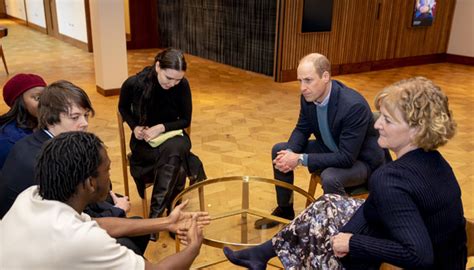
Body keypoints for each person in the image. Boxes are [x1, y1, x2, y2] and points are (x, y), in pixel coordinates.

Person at [224, 77, 467, 269]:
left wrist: (352, 241)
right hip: (441, 252)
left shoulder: (389, 179)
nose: (377, 124)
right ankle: (262, 253)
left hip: (411, 259)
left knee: (320, 241)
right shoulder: (436, 162)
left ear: (416, 131)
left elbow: (419, 256)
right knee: (327, 203)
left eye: (388, 120)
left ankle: (267, 256)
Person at [0, 131, 207, 269]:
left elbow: (97, 224)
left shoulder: (31, 196)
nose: (109, 175)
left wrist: (167, 222)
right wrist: (194, 247)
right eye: (107, 169)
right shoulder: (80, 240)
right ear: (90, 183)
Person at [0, 80, 145, 255]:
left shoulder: (40, 141)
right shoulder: (46, 160)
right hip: (34, 243)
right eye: (75, 117)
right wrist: (117, 210)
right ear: (50, 120)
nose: (84, 123)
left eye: (85, 115)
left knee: (127, 216)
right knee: (129, 241)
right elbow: (73, 218)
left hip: (45, 219)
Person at [255, 53, 385, 229]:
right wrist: (291, 153)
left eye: (308, 80)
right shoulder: (309, 97)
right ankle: (285, 209)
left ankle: (342, 226)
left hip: (361, 162)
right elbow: (302, 129)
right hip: (331, 148)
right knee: (280, 150)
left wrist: (300, 159)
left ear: (326, 77)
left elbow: (346, 157)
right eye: (300, 81)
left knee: (330, 177)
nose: (302, 87)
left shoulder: (353, 106)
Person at [119, 48, 206, 223]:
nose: (173, 83)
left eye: (178, 79)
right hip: (144, 144)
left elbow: (185, 120)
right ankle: (170, 215)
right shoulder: (134, 84)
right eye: (169, 78)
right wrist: (135, 127)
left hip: (172, 136)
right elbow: (123, 108)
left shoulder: (182, 85)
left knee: (176, 148)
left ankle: (155, 218)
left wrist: (161, 127)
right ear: (158, 67)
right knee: (179, 164)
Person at [0, 73, 46, 169]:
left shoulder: (48, 124)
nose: (45, 102)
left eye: (47, 96)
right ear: (20, 102)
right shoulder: (8, 141)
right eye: (38, 98)